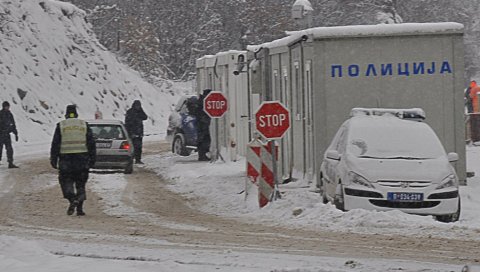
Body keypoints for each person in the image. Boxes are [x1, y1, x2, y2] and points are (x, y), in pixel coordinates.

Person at [50, 105, 96, 216]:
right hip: (82, 160)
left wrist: (53, 159)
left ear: (66, 114)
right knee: (80, 184)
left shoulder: (61, 125)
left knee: (66, 182)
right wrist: (93, 158)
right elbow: (91, 143)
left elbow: (55, 144)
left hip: (66, 160)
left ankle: (72, 199)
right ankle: (79, 208)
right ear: (76, 114)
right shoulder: (83, 125)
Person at [0, 101, 19, 168]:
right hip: (1, 134)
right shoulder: (1, 114)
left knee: (9, 149)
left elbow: (13, 124)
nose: (8, 108)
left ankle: (10, 163)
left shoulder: (9, 114)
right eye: (6, 106)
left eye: (8, 106)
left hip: (7, 134)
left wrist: (16, 133)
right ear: (3, 106)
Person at [195, 89, 212, 161]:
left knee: (202, 140)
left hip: (200, 123)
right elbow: (202, 113)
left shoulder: (200, 100)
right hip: (203, 124)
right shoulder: (203, 101)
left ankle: (202, 155)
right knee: (205, 139)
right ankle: (203, 156)